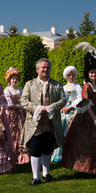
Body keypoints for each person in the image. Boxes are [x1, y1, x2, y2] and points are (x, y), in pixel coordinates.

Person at [62, 43, 96, 175]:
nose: (93, 75)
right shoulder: (86, 86)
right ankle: (88, 167)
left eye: (95, 72)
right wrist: (94, 119)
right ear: (88, 73)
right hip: (89, 115)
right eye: (91, 73)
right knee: (88, 141)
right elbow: (86, 104)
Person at [20, 58, 67, 186]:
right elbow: (23, 100)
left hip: (51, 122)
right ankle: (36, 177)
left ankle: (46, 173)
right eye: (43, 68)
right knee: (35, 148)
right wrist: (36, 108)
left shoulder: (57, 84)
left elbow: (63, 100)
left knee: (47, 148)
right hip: (35, 122)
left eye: (48, 68)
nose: (46, 70)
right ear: (38, 70)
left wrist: (52, 107)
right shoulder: (29, 84)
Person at [52, 66, 82, 163]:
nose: (71, 77)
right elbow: (59, 99)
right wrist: (62, 108)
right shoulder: (63, 87)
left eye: (73, 74)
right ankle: (59, 154)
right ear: (66, 76)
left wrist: (69, 107)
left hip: (73, 111)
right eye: (69, 75)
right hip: (63, 113)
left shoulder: (77, 86)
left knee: (71, 132)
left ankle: (72, 155)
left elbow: (79, 99)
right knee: (60, 132)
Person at [4, 67, 30, 165]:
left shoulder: (20, 90)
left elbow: (24, 100)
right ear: (9, 80)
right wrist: (20, 106)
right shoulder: (7, 90)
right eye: (13, 78)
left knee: (22, 132)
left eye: (16, 78)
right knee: (12, 132)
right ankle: (12, 154)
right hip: (12, 115)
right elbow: (9, 104)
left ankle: (22, 155)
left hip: (21, 114)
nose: (14, 80)